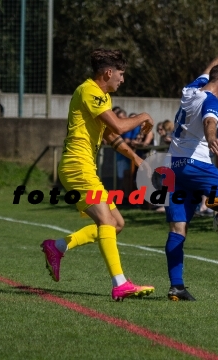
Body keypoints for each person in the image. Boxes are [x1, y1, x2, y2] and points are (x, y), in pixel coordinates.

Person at [41, 48, 155, 301]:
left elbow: (108, 134)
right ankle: (120, 283)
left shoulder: (100, 96)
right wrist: (144, 116)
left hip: (84, 167)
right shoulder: (90, 90)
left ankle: (57, 247)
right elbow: (118, 125)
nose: (122, 80)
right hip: (77, 166)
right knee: (106, 222)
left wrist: (134, 156)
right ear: (108, 72)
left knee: (117, 224)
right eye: (121, 75)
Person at [164, 38, 218, 301]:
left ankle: (176, 287)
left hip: (172, 168)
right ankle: (212, 202)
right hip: (194, 164)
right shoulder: (212, 100)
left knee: (178, 229)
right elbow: (210, 120)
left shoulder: (193, 88)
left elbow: (213, 66)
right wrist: (212, 137)